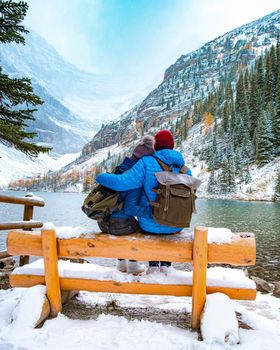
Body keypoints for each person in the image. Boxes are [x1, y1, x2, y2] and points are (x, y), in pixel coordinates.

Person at [96, 130, 192, 275]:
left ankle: (153, 266)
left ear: (156, 145)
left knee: (149, 220)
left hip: (150, 224)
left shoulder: (147, 163)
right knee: (164, 224)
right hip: (176, 225)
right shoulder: (186, 169)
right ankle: (166, 267)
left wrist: (100, 177)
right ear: (172, 146)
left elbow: (122, 182)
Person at [97, 135, 154, 275]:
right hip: (118, 225)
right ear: (143, 160)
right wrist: (151, 212)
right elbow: (130, 208)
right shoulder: (134, 177)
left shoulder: (119, 169)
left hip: (103, 221)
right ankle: (133, 266)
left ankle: (121, 264)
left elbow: (101, 180)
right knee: (140, 229)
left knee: (122, 219)